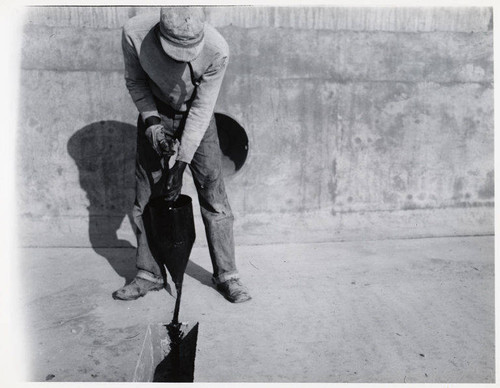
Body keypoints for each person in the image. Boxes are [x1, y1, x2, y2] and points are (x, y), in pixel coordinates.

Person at [113, 7, 251, 303]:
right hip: (156, 111)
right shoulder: (134, 33)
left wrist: (181, 162)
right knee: (145, 197)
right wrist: (152, 123)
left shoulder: (217, 50)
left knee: (214, 197)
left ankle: (228, 275)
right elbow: (135, 80)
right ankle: (148, 274)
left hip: (197, 116)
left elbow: (202, 109)